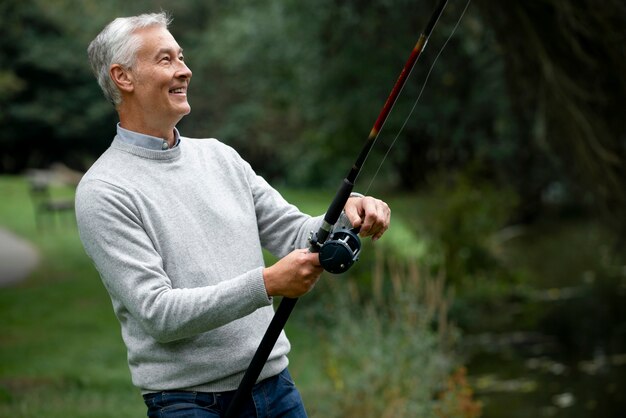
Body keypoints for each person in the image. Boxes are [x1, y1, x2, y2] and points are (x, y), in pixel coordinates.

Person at [76, 12, 390, 418]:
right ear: (123, 77)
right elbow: (159, 313)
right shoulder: (104, 191)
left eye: (181, 57)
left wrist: (350, 213)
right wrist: (267, 282)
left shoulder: (220, 157)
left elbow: (297, 234)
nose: (184, 70)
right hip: (186, 403)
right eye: (165, 60)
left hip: (276, 389)